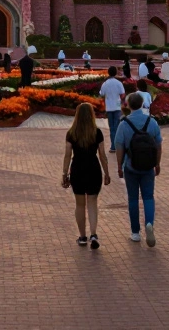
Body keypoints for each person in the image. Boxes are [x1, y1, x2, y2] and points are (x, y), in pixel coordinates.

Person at [115, 92, 162, 246]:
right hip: (148, 166)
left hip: (131, 166)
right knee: (148, 197)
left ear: (128, 105)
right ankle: (149, 223)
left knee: (133, 199)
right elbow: (158, 145)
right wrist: (157, 163)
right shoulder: (152, 122)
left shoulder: (124, 124)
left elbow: (119, 147)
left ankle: (135, 232)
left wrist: (119, 166)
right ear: (142, 104)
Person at [62, 102, 111, 248]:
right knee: (92, 203)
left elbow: (67, 155)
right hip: (93, 169)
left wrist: (65, 173)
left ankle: (82, 236)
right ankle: (94, 234)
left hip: (77, 169)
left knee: (79, 204)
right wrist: (106, 173)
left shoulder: (71, 133)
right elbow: (102, 155)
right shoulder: (97, 132)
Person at [99, 66, 127, 151]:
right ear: (115, 73)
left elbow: (101, 94)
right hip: (117, 106)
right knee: (117, 127)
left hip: (109, 107)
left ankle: (113, 146)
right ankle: (118, 145)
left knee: (111, 127)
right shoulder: (118, 83)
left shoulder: (105, 83)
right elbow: (122, 95)